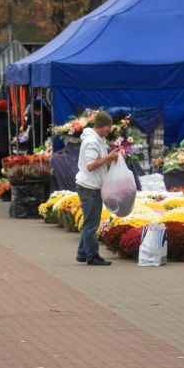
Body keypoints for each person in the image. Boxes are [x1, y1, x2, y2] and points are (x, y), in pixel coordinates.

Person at [75, 110, 119, 265]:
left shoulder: (99, 140)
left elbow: (98, 162)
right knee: (91, 223)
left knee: (90, 220)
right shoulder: (91, 142)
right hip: (89, 187)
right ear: (101, 126)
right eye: (108, 126)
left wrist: (111, 158)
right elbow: (91, 165)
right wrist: (108, 157)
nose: (110, 130)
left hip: (92, 185)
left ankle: (82, 253)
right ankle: (92, 256)